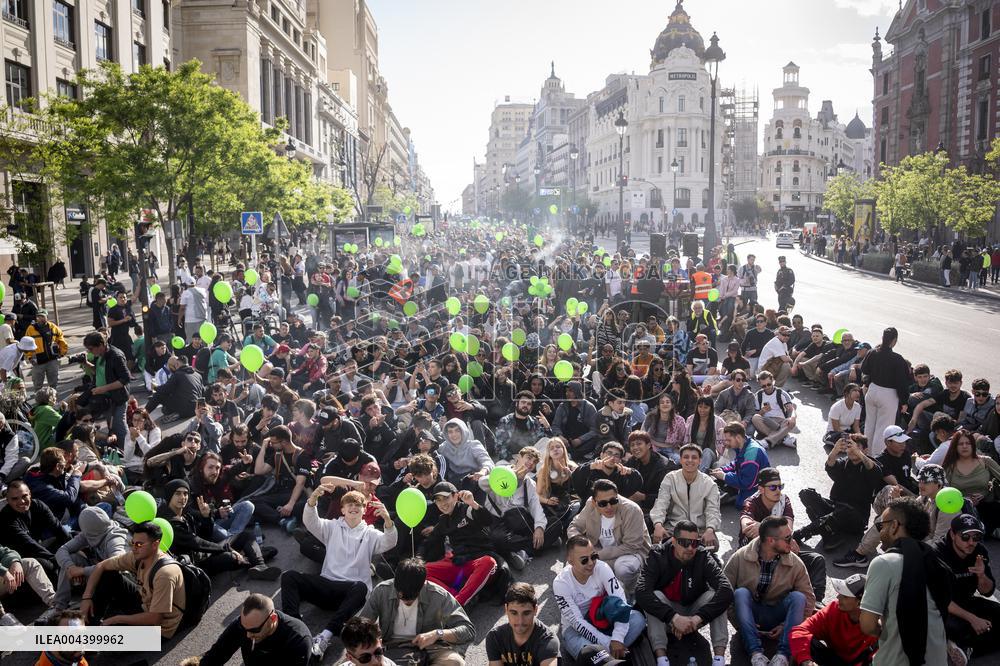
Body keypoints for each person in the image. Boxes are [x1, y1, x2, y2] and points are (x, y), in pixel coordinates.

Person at [281, 485, 396, 658]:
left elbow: (389, 542)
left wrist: (387, 520)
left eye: (358, 504)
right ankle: (294, 628)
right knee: (289, 576)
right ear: (342, 510)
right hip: (326, 584)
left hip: (349, 594)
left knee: (361, 588)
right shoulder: (331, 527)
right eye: (349, 504)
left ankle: (324, 637)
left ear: (364, 511)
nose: (353, 507)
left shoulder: (370, 533)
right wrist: (312, 500)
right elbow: (311, 521)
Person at [859, 496, 953, 666]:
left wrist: (888, 633)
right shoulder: (934, 561)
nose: (880, 532)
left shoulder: (884, 563)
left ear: (894, 526)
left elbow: (867, 625)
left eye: (881, 526)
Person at [635, 520, 733, 666]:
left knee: (715, 596)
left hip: (694, 614)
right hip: (667, 617)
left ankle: (719, 659)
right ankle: (662, 659)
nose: (690, 548)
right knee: (655, 595)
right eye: (684, 542)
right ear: (674, 541)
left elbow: (726, 589)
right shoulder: (657, 554)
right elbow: (641, 591)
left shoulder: (702, 555)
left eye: (694, 543)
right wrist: (674, 618)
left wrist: (697, 619)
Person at [723, 515, 815, 666]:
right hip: (750, 616)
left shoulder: (795, 563)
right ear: (771, 540)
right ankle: (756, 654)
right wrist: (740, 622)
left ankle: (783, 656)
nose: (792, 542)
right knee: (740, 593)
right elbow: (723, 592)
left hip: (777, 615)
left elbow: (809, 599)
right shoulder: (740, 557)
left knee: (799, 598)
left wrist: (785, 625)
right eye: (787, 538)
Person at [835, 463, 958, 569]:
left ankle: (862, 554)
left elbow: (939, 543)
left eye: (926, 481)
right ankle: (860, 553)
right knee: (887, 518)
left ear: (938, 484)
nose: (920, 484)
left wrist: (906, 547)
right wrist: (897, 502)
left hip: (931, 551)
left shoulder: (947, 506)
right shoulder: (926, 496)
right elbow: (913, 513)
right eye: (920, 480)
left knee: (889, 523)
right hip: (921, 538)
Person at [79, 521, 186, 639]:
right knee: (108, 574)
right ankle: (90, 625)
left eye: (139, 545)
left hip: (160, 629)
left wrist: (118, 619)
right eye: (132, 543)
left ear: (155, 545)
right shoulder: (137, 556)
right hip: (145, 603)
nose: (134, 548)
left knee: (109, 640)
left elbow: (155, 619)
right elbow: (101, 566)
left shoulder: (165, 573)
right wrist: (86, 598)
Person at [359, 557, 475, 665]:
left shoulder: (439, 595)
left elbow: (468, 630)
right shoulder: (382, 591)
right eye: (400, 596)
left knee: (454, 662)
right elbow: (362, 626)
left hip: (430, 647)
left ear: (423, 584)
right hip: (390, 646)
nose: (405, 600)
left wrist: (437, 634)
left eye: (410, 598)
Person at [552, 535, 647, 661]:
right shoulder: (560, 583)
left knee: (638, 619)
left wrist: (617, 637)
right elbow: (577, 622)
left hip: (603, 618)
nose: (591, 563)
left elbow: (620, 602)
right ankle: (616, 652)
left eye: (594, 556)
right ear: (570, 561)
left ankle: (606, 657)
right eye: (584, 560)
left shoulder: (602, 568)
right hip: (577, 630)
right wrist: (609, 643)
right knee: (586, 651)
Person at [795, 434, 884, 550]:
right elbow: (830, 465)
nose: (851, 450)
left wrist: (859, 453)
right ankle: (829, 532)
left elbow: (875, 471)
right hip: (836, 508)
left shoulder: (870, 465)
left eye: (856, 447)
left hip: (856, 517)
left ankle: (803, 533)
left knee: (844, 511)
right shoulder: (845, 463)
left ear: (865, 450)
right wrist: (835, 449)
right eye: (849, 447)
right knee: (807, 494)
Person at [419, 482, 501, 608]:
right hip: (460, 563)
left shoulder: (467, 509)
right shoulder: (443, 521)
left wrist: (473, 504)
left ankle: (457, 605)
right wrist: (416, 560)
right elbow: (430, 541)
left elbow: (487, 520)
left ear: (456, 496)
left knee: (489, 562)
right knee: (421, 571)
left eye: (446, 498)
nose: (442, 503)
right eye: (438, 500)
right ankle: (453, 597)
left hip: (480, 562)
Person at [935, 514, 1000, 663]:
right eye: (965, 537)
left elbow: (987, 591)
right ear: (952, 534)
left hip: (966, 600)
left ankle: (965, 647)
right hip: (940, 606)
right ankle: (959, 643)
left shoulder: (979, 551)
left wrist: (982, 575)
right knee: (961, 628)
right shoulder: (938, 553)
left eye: (976, 537)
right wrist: (973, 619)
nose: (971, 542)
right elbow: (941, 598)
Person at [568, 479, 651, 593]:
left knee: (623, 569)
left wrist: (596, 556)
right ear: (594, 502)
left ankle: (632, 592)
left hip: (631, 553)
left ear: (618, 497)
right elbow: (574, 527)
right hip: (598, 553)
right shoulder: (590, 505)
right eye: (602, 503)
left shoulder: (632, 510)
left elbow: (632, 546)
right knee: (573, 565)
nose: (609, 507)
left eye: (613, 501)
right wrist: (581, 548)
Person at [186, 592, 311, 666]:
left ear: (272, 619)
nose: (247, 635)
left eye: (254, 630)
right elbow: (216, 655)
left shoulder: (298, 641)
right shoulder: (244, 625)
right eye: (244, 627)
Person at [788, 573, 878, 666]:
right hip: (834, 659)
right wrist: (806, 661)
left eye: (845, 596)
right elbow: (799, 631)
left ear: (859, 603)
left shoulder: (878, 626)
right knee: (801, 647)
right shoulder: (834, 608)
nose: (838, 597)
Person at [53, 506, 128, 611]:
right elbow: (61, 551)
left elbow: (118, 566)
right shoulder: (90, 532)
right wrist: (71, 568)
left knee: (110, 575)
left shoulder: (115, 538)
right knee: (72, 559)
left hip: (118, 580)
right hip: (97, 571)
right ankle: (59, 607)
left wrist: (82, 571)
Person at [649, 444, 721, 549]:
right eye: (686, 457)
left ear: (700, 461)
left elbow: (713, 509)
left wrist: (710, 529)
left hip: (700, 529)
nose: (690, 460)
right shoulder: (670, 478)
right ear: (681, 460)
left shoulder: (709, 483)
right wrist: (658, 524)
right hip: (674, 527)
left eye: (694, 457)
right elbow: (661, 503)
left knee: (712, 546)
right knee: (658, 542)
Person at [859, 327, 911, 457]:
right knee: (883, 428)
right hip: (888, 394)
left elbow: (864, 368)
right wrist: (904, 401)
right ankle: (877, 457)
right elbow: (903, 382)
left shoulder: (872, 352)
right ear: (894, 340)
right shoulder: (898, 359)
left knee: (869, 424)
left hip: (872, 390)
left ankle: (865, 453)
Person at [485, 582, 559, 666]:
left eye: (526, 613)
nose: (520, 621)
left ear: (535, 610)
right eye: (514, 613)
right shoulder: (495, 637)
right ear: (506, 609)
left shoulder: (548, 641)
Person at [82, 331, 131, 455]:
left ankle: (129, 451)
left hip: (117, 398)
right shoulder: (100, 355)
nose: (89, 351)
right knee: (112, 426)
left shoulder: (116, 356)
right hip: (106, 399)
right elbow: (99, 371)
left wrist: (103, 388)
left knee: (119, 425)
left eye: (91, 348)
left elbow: (125, 379)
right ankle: (120, 451)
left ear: (101, 345)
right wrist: (86, 364)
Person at [710, 422, 770, 505]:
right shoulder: (744, 444)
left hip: (757, 488)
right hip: (751, 481)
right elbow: (736, 463)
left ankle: (732, 495)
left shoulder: (751, 453)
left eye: (729, 440)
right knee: (720, 481)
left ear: (738, 437)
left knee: (742, 503)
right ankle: (730, 493)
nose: (726, 443)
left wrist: (724, 476)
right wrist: (722, 469)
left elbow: (747, 482)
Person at [751, 370, 797, 448]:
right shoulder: (758, 395)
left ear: (773, 380)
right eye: (764, 386)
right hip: (766, 422)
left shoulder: (781, 393)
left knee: (790, 422)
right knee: (755, 418)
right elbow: (756, 414)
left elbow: (791, 409)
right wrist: (762, 411)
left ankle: (767, 441)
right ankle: (783, 438)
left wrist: (792, 417)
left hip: (781, 422)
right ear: (760, 385)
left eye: (769, 384)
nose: (767, 387)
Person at [24, 309, 67, 391]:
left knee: (53, 384)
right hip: (38, 362)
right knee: (37, 385)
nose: (40, 318)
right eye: (38, 317)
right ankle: (39, 401)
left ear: (47, 317)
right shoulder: (31, 329)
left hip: (52, 361)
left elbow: (61, 340)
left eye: (42, 316)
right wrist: (30, 357)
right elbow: (26, 344)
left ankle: (52, 400)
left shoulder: (53, 327)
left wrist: (62, 353)